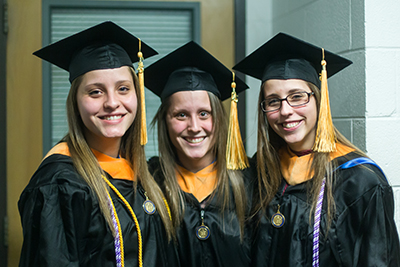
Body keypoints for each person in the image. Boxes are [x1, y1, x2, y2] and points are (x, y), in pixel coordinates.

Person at [18, 21, 179, 267]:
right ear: (76, 102)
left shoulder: (142, 174)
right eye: (95, 92)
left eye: (123, 88)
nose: (112, 102)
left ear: (137, 95)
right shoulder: (60, 183)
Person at [233, 32, 400, 266]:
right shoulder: (261, 171)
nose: (285, 111)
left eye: (297, 97)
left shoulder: (360, 181)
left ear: (319, 100)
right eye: (273, 101)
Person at [145, 41, 255, 267]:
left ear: (220, 119)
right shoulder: (148, 184)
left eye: (204, 114)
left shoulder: (250, 181)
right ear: (165, 121)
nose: (194, 126)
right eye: (181, 115)